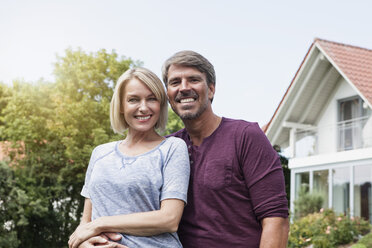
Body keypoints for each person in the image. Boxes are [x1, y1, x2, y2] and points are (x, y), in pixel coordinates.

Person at [162, 51, 289, 248]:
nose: (184, 88)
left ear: (211, 90)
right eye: (175, 82)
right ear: (168, 94)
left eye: (193, 80)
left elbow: (275, 220)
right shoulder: (166, 148)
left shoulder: (246, 136)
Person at [68, 67, 190, 248]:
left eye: (151, 99)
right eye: (133, 100)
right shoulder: (100, 153)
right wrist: (84, 244)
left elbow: (169, 219)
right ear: (121, 106)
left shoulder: (172, 148)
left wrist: (100, 224)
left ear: (160, 105)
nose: (143, 107)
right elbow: (85, 224)